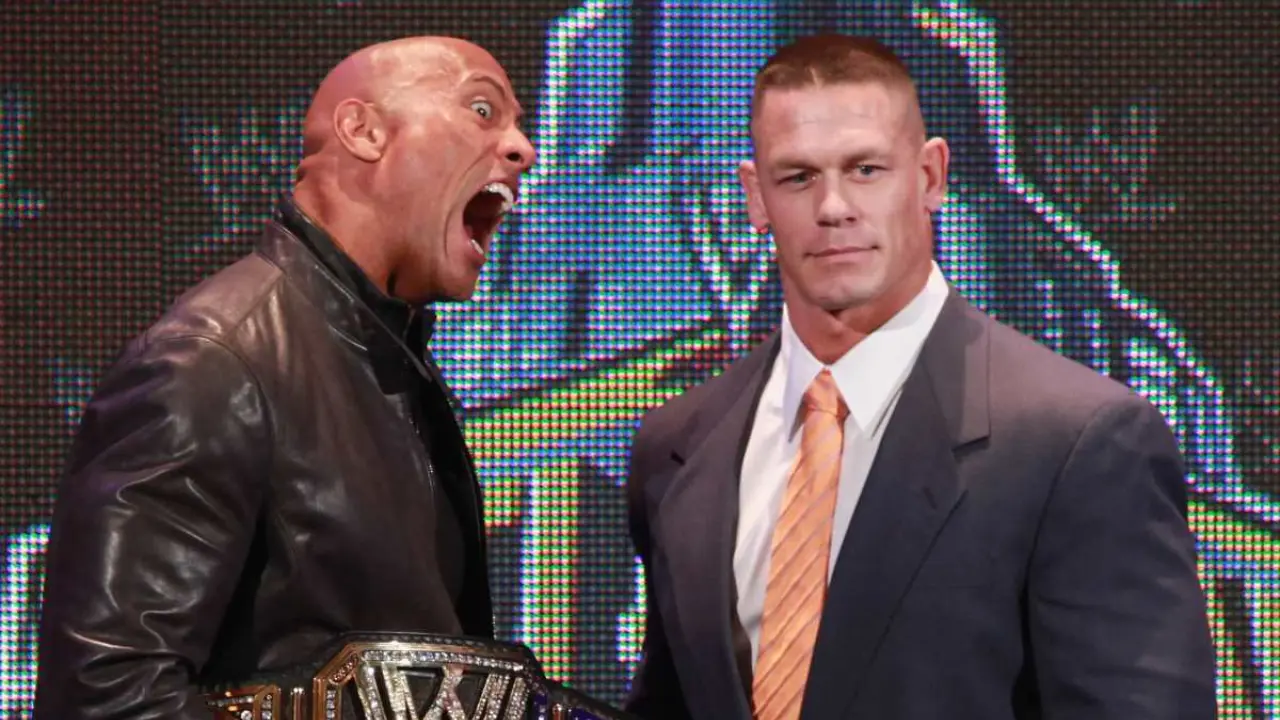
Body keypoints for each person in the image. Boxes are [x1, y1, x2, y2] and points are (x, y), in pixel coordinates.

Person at [623, 33, 1214, 720]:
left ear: (930, 176)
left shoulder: (1080, 441)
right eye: (798, 177)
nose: (833, 206)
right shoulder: (679, 444)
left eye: (866, 169)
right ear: (755, 197)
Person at [33, 36, 535, 719]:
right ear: (364, 131)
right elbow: (106, 700)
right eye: (482, 110)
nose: (523, 148)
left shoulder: (393, 366)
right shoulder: (211, 363)